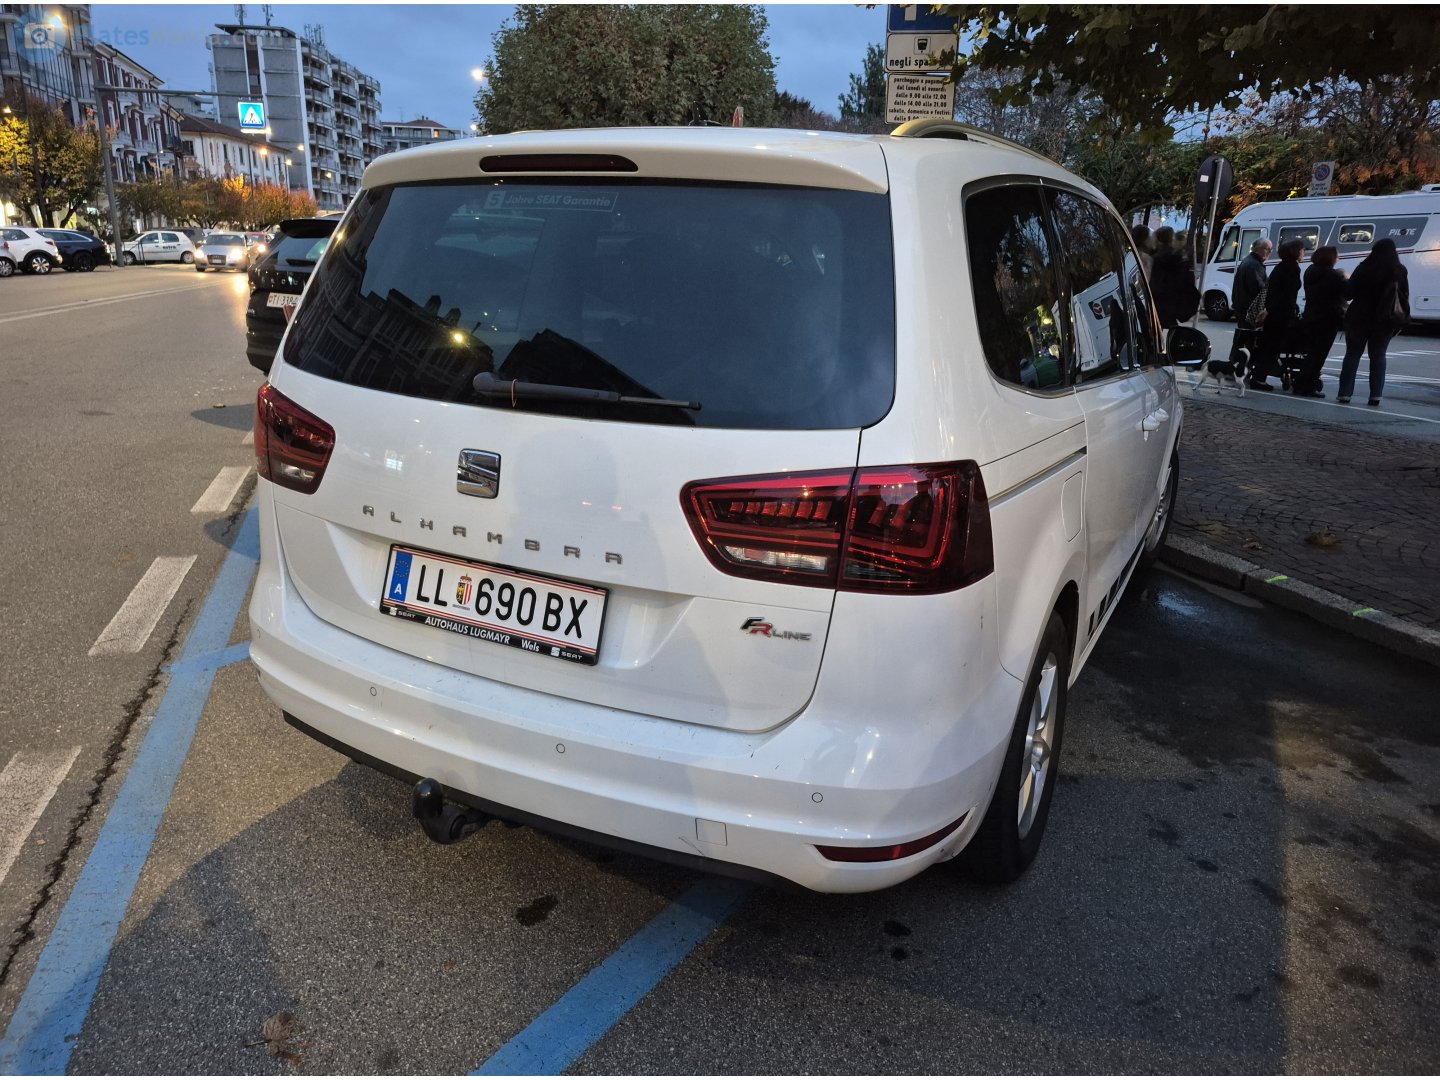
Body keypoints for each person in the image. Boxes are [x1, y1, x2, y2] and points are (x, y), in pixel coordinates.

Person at [1337, 237, 1410, 406]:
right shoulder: (1399, 270)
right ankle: (1375, 395)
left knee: (1352, 355)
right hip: (1384, 319)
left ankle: (1345, 394)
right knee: (1378, 356)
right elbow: (1404, 295)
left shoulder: (1364, 268)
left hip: (1358, 317)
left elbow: (1349, 293)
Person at [1250, 239, 1304, 390]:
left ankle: (1258, 376)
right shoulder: (1293, 268)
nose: (1303, 253)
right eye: (1302, 250)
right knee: (1272, 347)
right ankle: (1259, 378)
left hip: (1274, 314)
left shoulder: (1280, 267)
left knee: (1268, 346)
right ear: (1295, 252)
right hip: (1281, 315)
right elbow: (1285, 294)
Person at [1296, 246, 1346, 397]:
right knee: (1319, 355)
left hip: (1311, 316)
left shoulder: (1310, 271)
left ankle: (1301, 384)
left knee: (1311, 353)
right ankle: (1308, 386)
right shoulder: (1333, 275)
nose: (1338, 258)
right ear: (1330, 258)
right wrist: (1346, 278)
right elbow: (1345, 293)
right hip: (1327, 319)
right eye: (1336, 256)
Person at [1229, 237, 1273, 376]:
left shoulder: (1249, 261)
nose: (1269, 252)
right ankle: (1240, 369)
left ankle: (1236, 367)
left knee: (1242, 339)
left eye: (1270, 250)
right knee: (1248, 341)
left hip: (1242, 306)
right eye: (1266, 249)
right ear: (1256, 248)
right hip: (1248, 308)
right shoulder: (1254, 265)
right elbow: (1259, 289)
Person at [1149, 226, 1197, 329]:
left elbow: (1155, 284)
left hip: (1159, 304)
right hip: (1175, 304)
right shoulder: (1181, 258)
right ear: (1172, 239)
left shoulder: (1156, 260)